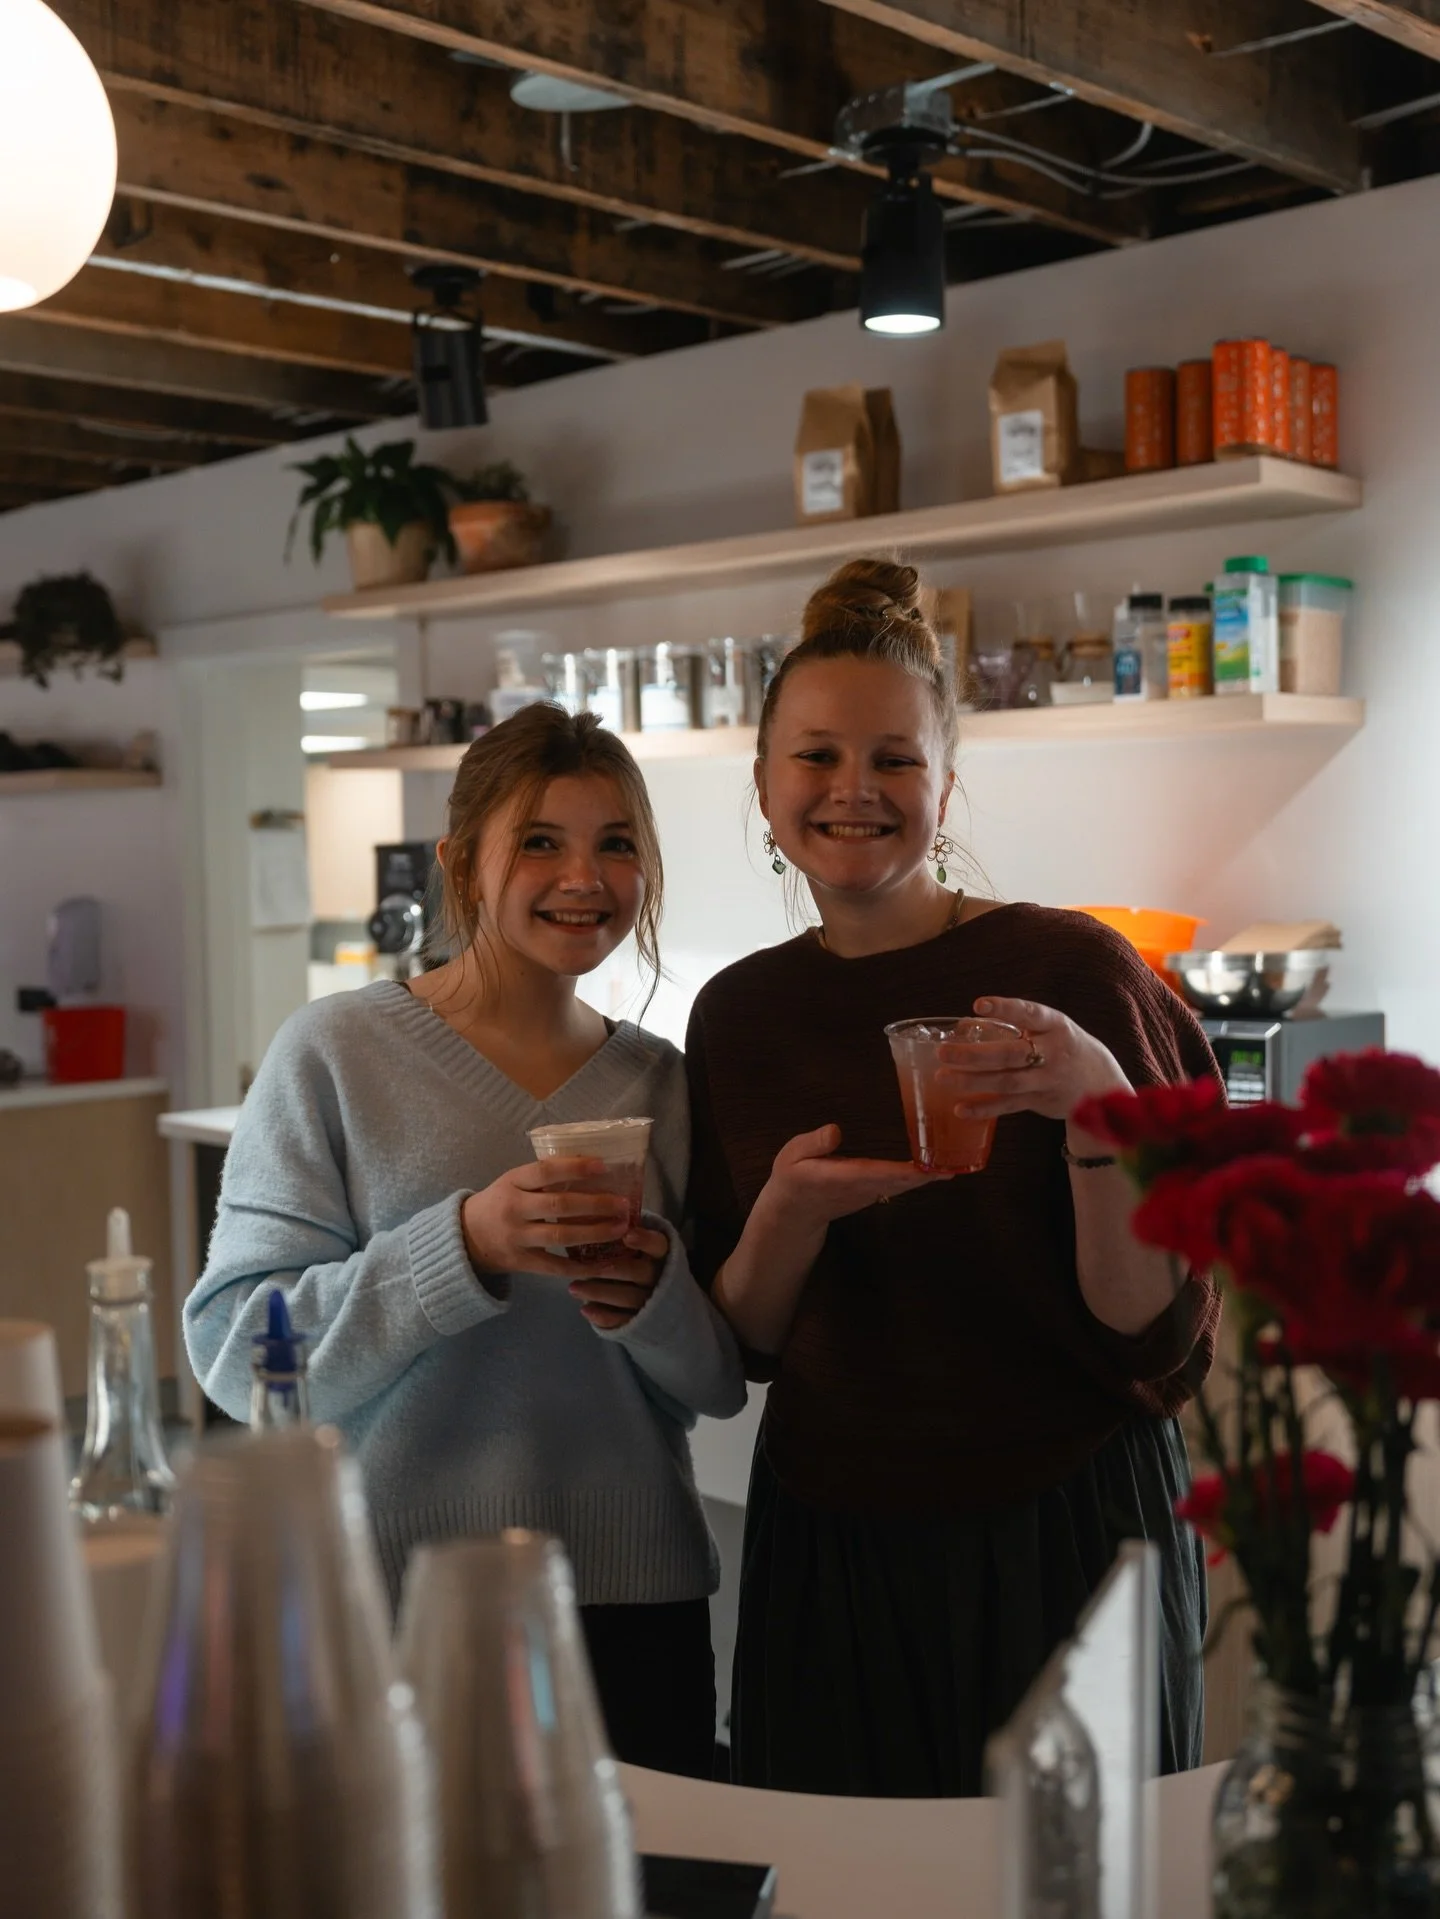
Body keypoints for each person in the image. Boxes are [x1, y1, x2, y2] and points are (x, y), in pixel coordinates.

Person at [686, 559, 1220, 1797]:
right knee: (846, 1879)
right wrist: (790, 1213)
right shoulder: (740, 1015)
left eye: (896, 759)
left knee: (1080, 1881)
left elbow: (1147, 1326)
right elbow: (745, 1344)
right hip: (835, 1528)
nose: (854, 791)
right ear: (763, 783)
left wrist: (1097, 1111)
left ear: (946, 783)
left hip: (1071, 1521)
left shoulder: (1072, 970)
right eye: (816, 756)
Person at [186, 703, 745, 1779]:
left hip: (633, 1602)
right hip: (395, 1596)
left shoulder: (666, 1084)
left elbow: (712, 1384)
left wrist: (655, 1296)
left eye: (615, 842)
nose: (584, 875)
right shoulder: (336, 1052)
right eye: (540, 839)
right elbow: (233, 1349)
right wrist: (464, 1246)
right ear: (461, 863)